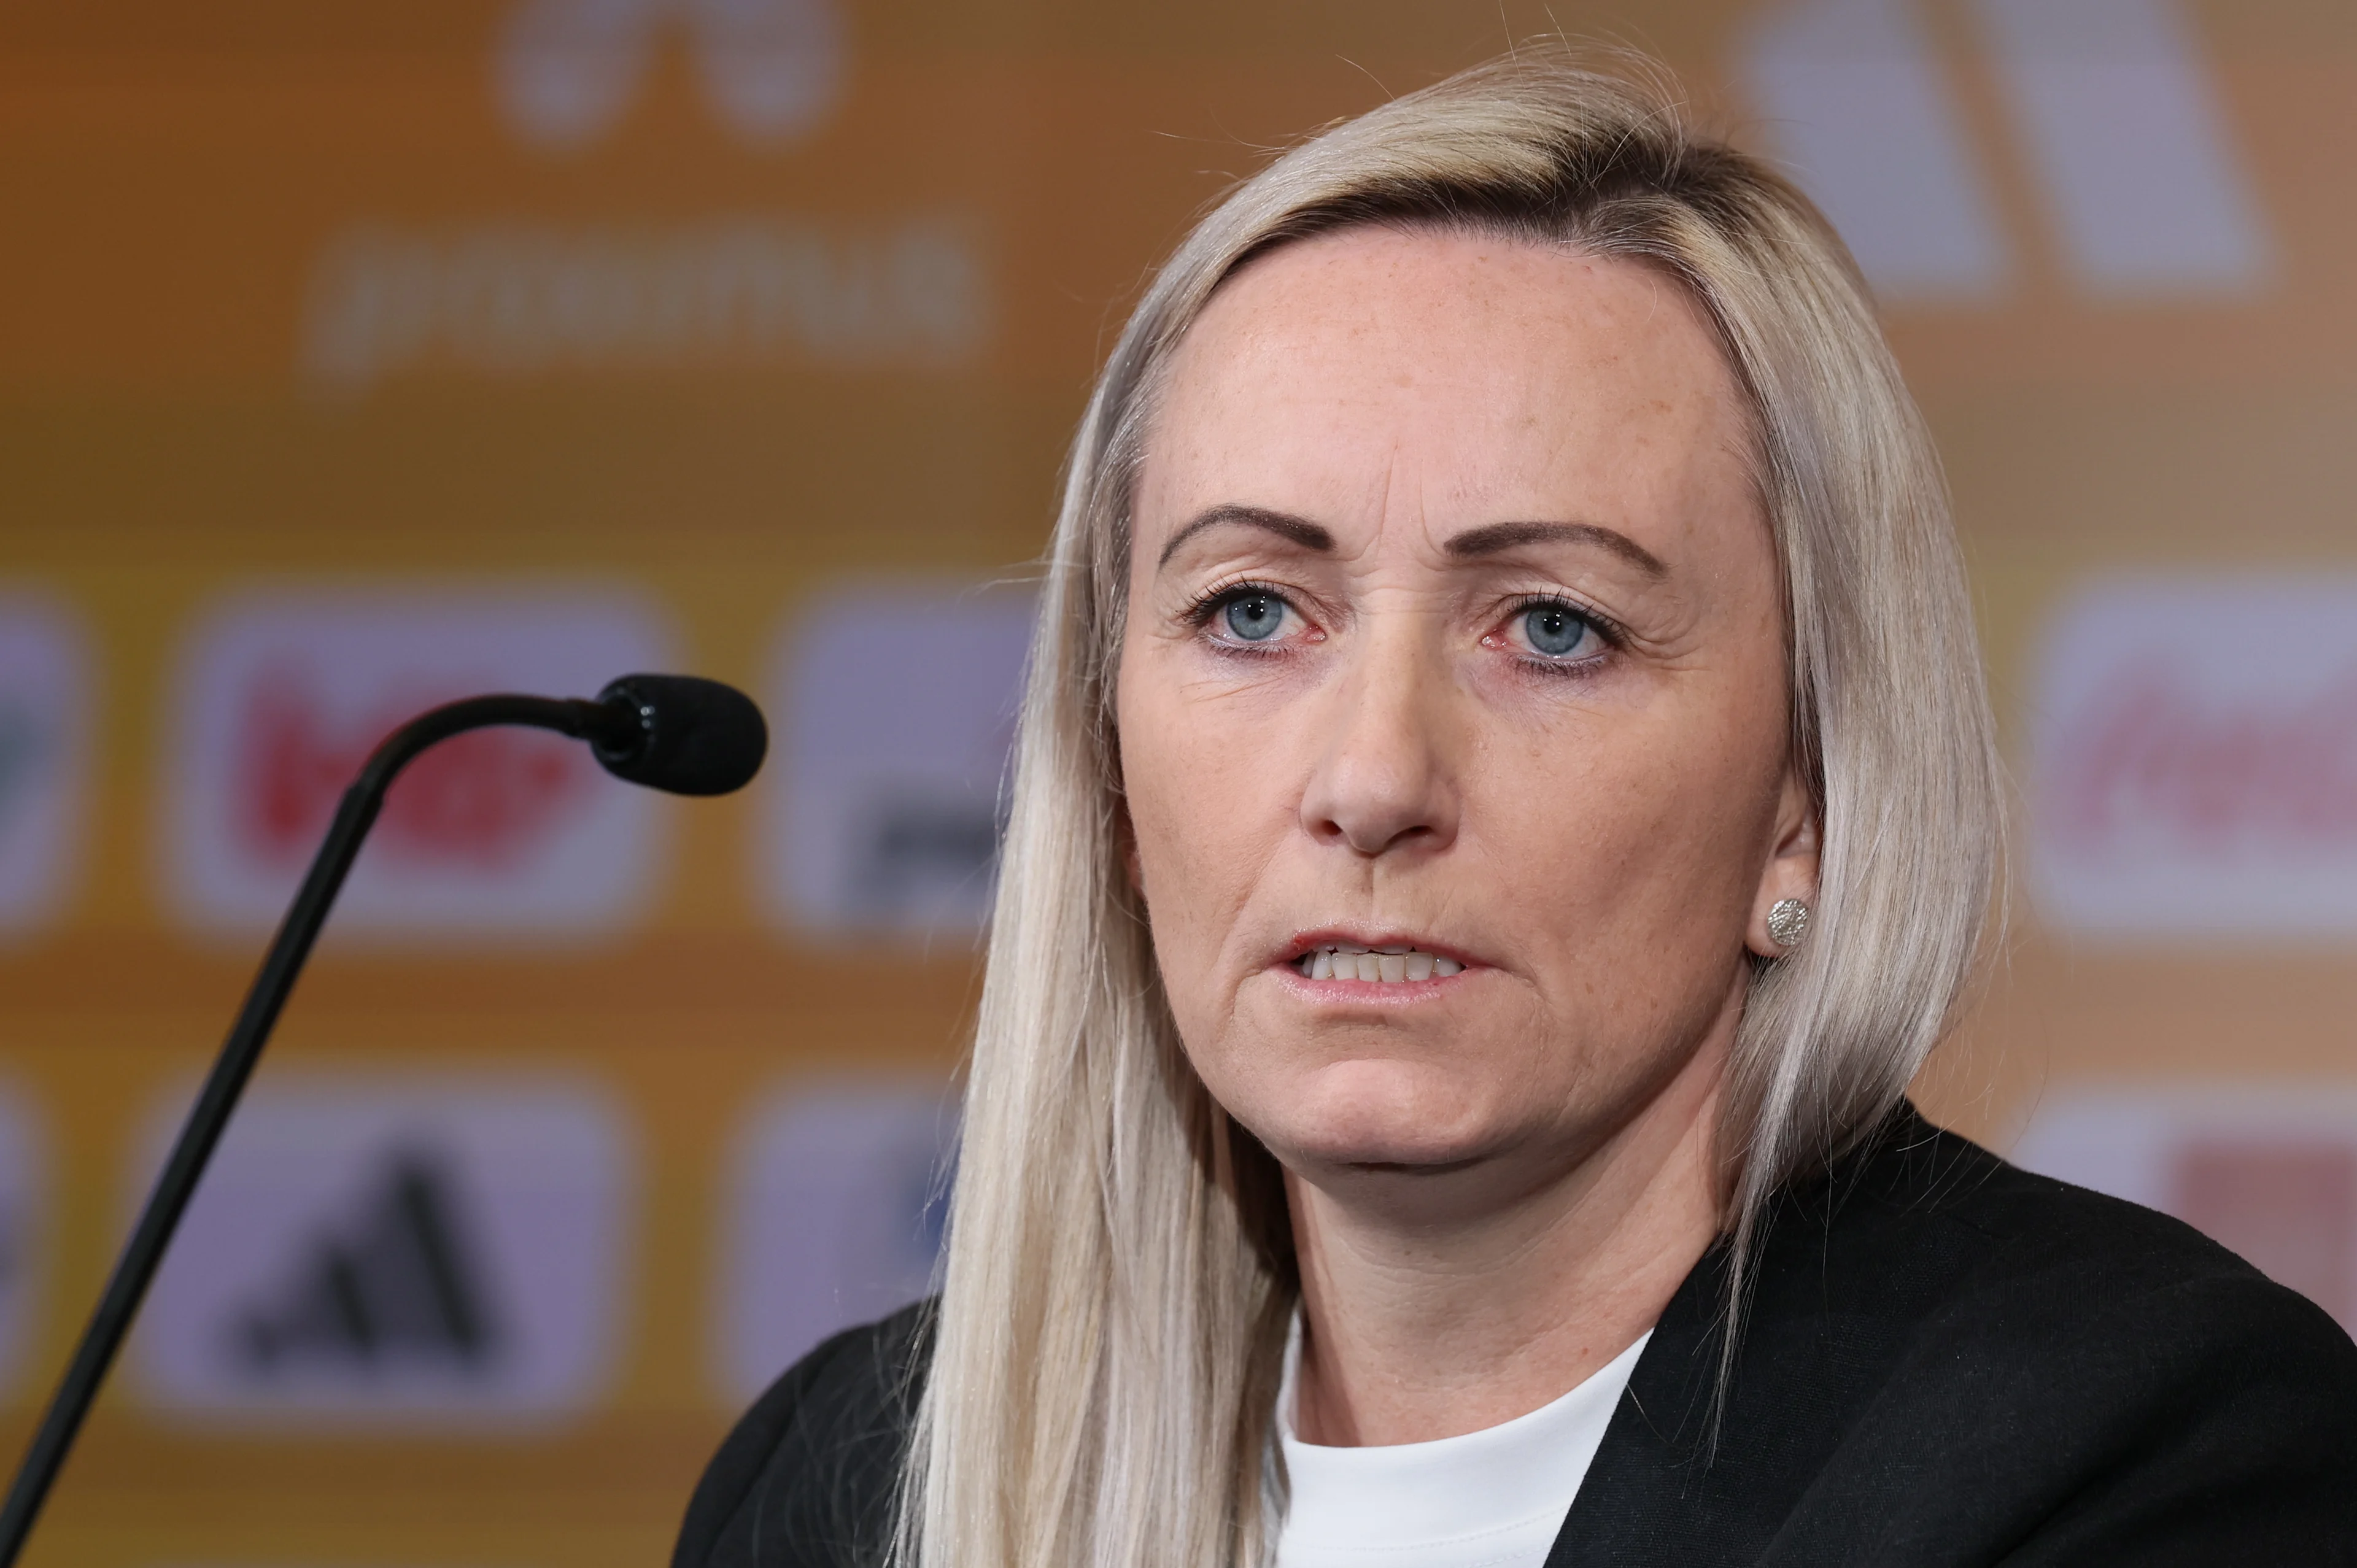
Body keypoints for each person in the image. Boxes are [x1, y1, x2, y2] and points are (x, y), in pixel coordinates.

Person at [676, 49, 2357, 1568]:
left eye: (1554, 628)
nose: (1375, 782)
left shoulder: (2142, 1456)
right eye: (1253, 611)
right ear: (1108, 777)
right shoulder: (841, 1495)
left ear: (1808, 803)